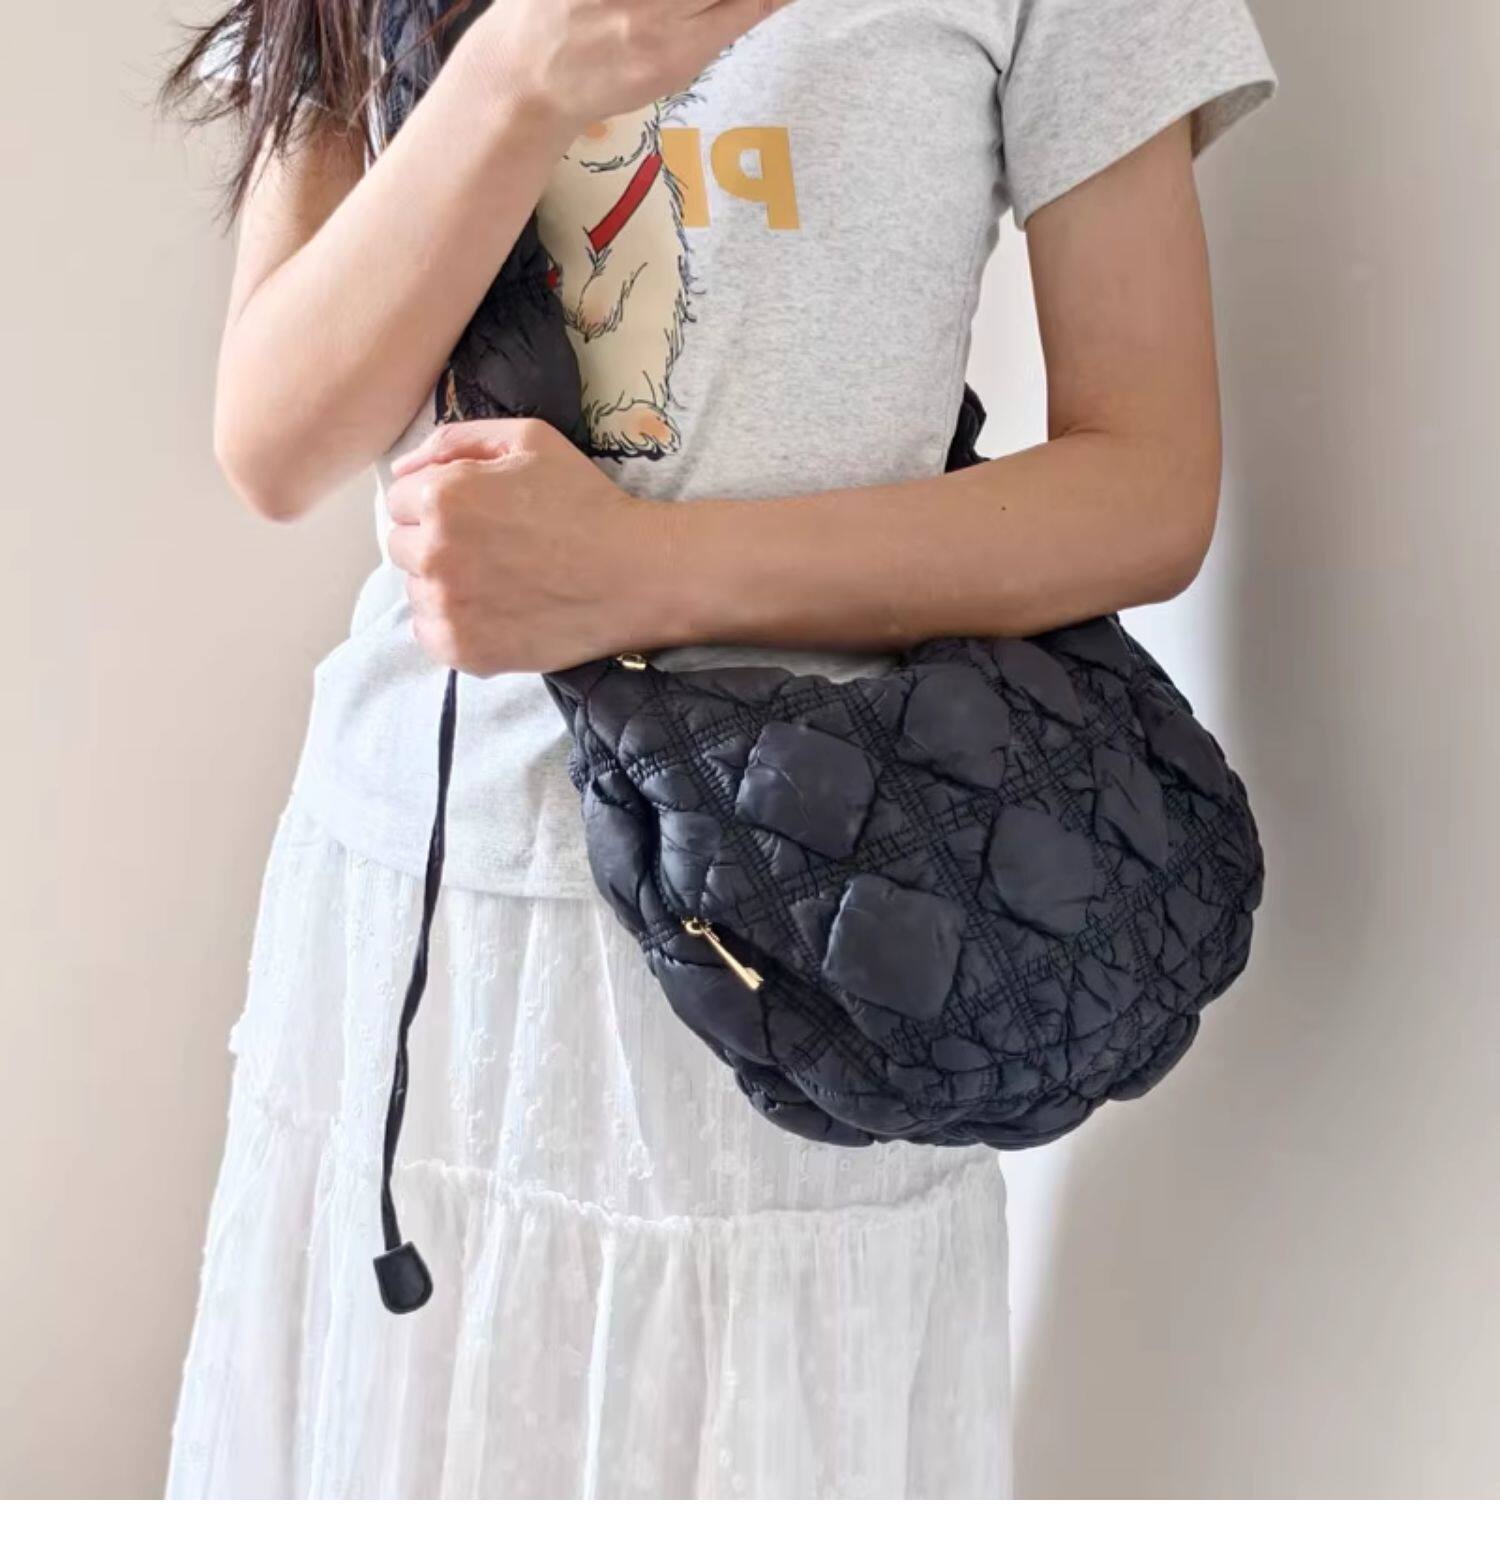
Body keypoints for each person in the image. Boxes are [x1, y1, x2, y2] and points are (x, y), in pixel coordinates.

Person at [161, 0, 1275, 1499]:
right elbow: (279, 442)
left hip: (827, 928)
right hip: (423, 939)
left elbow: (1146, 488)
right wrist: (517, 74)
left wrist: (645, 574)